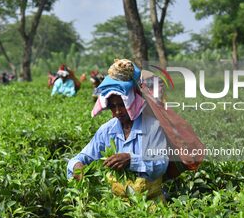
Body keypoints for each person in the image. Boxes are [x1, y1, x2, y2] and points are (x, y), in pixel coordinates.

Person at [67, 59, 169, 199]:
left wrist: (130, 160)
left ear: (132, 102)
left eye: (121, 105)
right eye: (112, 107)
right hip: (117, 204)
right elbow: (81, 157)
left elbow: (161, 164)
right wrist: (77, 166)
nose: (117, 112)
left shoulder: (152, 127)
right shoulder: (107, 130)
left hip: (150, 203)